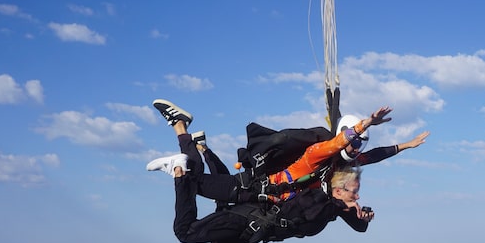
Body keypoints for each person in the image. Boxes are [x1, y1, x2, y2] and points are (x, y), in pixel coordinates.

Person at [150, 128, 374, 243]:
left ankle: (203, 149)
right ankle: (180, 170)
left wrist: (359, 216)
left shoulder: (333, 205)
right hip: (250, 218)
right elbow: (321, 208)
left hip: (256, 229)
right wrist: (363, 127)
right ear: (338, 189)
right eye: (354, 192)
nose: (357, 197)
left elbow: (359, 227)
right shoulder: (320, 200)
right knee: (185, 233)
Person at [151, 99, 392, 203]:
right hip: (257, 186)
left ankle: (195, 142)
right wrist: (367, 123)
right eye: (355, 140)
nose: (356, 147)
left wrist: (405, 145)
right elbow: (339, 143)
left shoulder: (336, 168)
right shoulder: (318, 155)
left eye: (359, 143)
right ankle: (180, 127)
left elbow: (373, 156)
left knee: (211, 186)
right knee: (196, 183)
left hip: (260, 192)